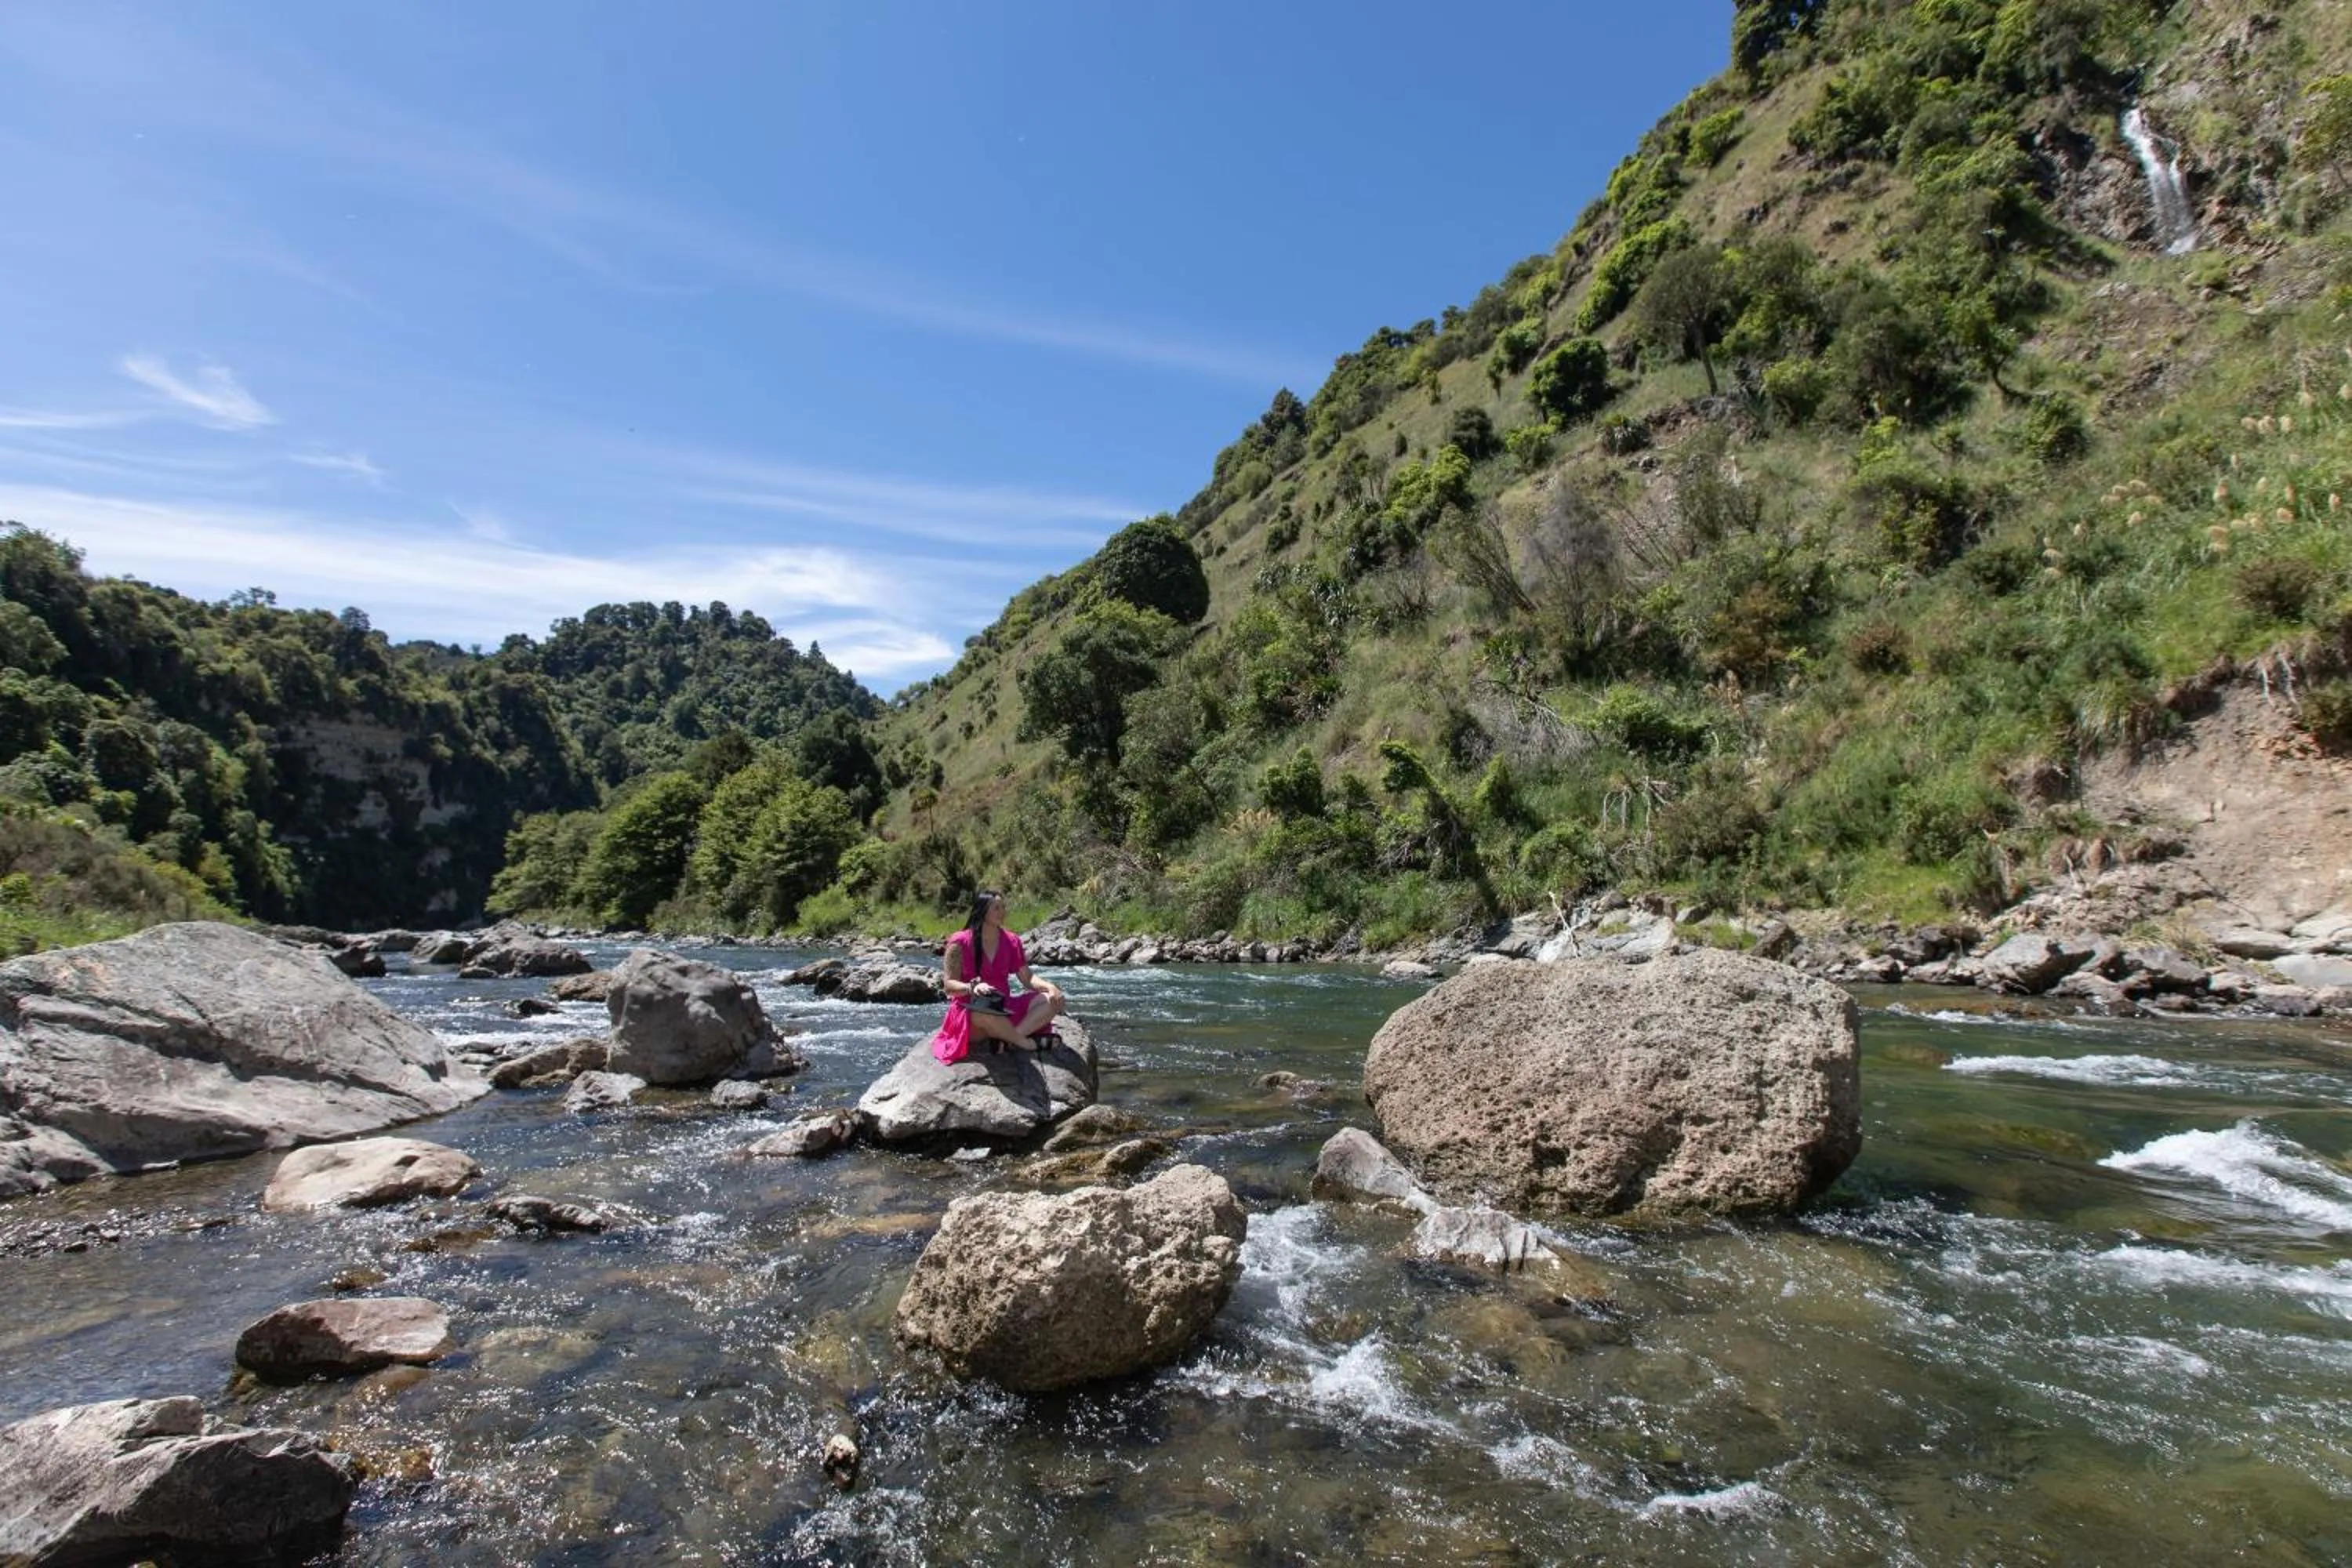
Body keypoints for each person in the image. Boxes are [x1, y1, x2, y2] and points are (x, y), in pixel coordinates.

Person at [928, 889, 1066, 1064]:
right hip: (972, 1013)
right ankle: (1025, 1043)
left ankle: (1009, 1040)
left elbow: (1027, 978)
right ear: (982, 910)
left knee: (1054, 1000)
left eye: (1003, 907)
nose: (1002, 912)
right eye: (996, 908)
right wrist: (972, 988)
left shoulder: (1012, 940)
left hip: (1004, 1008)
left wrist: (1050, 987)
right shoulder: (959, 942)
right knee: (984, 1014)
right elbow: (949, 986)